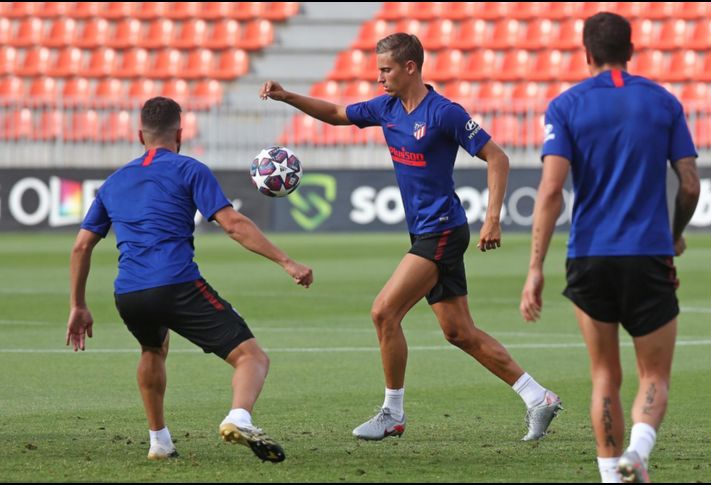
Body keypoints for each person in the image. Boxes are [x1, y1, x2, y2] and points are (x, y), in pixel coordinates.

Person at [261, 33, 562, 442]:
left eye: (385, 69)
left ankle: (392, 413)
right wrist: (287, 97)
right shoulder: (385, 107)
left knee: (384, 312)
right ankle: (537, 397)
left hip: (441, 230)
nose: (379, 77)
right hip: (426, 229)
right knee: (459, 333)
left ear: (410, 68)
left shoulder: (445, 114)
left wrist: (493, 219)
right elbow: (335, 112)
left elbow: (498, 157)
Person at [66, 97, 313, 462]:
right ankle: (239, 417)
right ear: (180, 134)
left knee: (152, 349)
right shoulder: (190, 169)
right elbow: (233, 224)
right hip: (176, 283)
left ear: (139, 135)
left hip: (129, 292)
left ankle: (159, 442)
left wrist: (78, 304)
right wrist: (287, 262)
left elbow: (81, 247)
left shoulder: (113, 183)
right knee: (252, 358)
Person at [519, 12, 701, 483]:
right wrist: (674, 231)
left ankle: (610, 476)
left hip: (589, 257)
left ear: (587, 53)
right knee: (654, 375)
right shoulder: (663, 102)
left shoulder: (566, 106)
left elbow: (551, 192)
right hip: (648, 254)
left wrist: (535, 267)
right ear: (632, 50)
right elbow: (689, 186)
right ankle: (638, 450)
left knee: (605, 374)